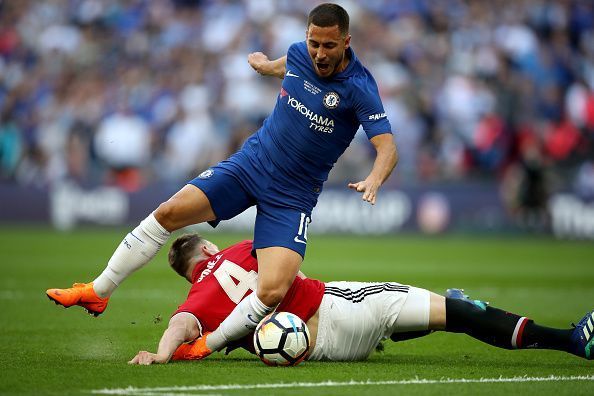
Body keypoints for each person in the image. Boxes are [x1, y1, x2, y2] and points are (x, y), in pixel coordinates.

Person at [46, 3, 397, 359]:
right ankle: (99, 290)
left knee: (272, 289)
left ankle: (204, 346)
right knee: (168, 213)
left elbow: (387, 147)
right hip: (251, 164)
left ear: (346, 42)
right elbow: (287, 66)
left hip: (292, 195)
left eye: (329, 46)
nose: (319, 54)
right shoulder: (298, 53)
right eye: (313, 44)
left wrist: (374, 177)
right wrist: (263, 66)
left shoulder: (359, 87)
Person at [123, 234, 593, 365]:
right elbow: (291, 267)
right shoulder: (241, 247)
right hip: (334, 309)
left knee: (391, 309)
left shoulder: (197, 300)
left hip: (313, 350)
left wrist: (160, 356)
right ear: (206, 247)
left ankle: (406, 325)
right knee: (461, 313)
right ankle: (572, 340)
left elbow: (179, 327)